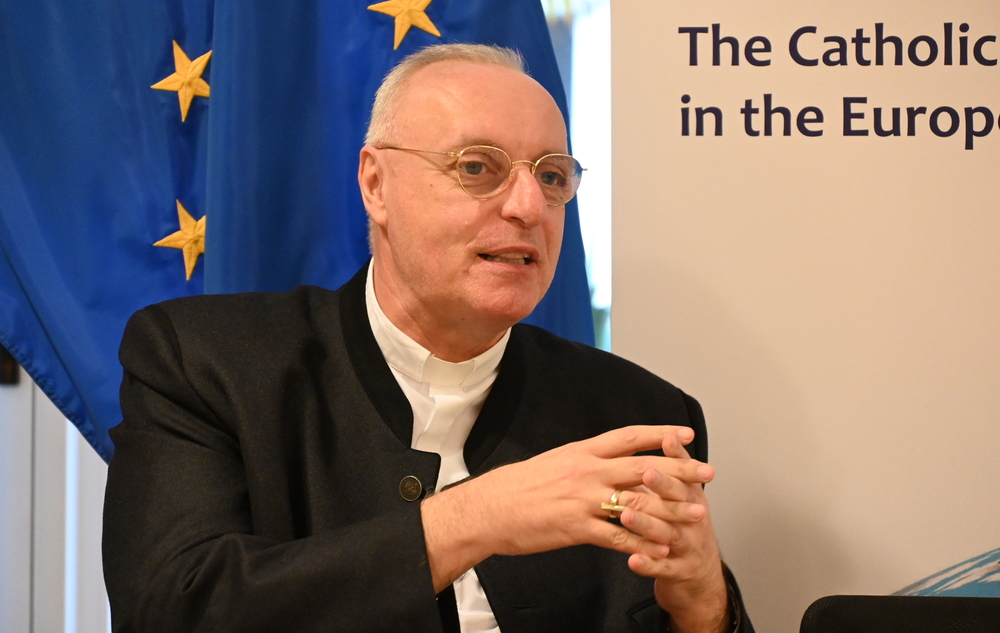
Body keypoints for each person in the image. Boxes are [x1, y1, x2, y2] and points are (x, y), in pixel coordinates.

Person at [103, 43, 752, 633]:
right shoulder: (203, 363)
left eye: (552, 176)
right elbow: (169, 610)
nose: (529, 206)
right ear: (376, 185)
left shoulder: (640, 417)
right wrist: (476, 517)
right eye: (478, 167)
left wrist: (704, 607)